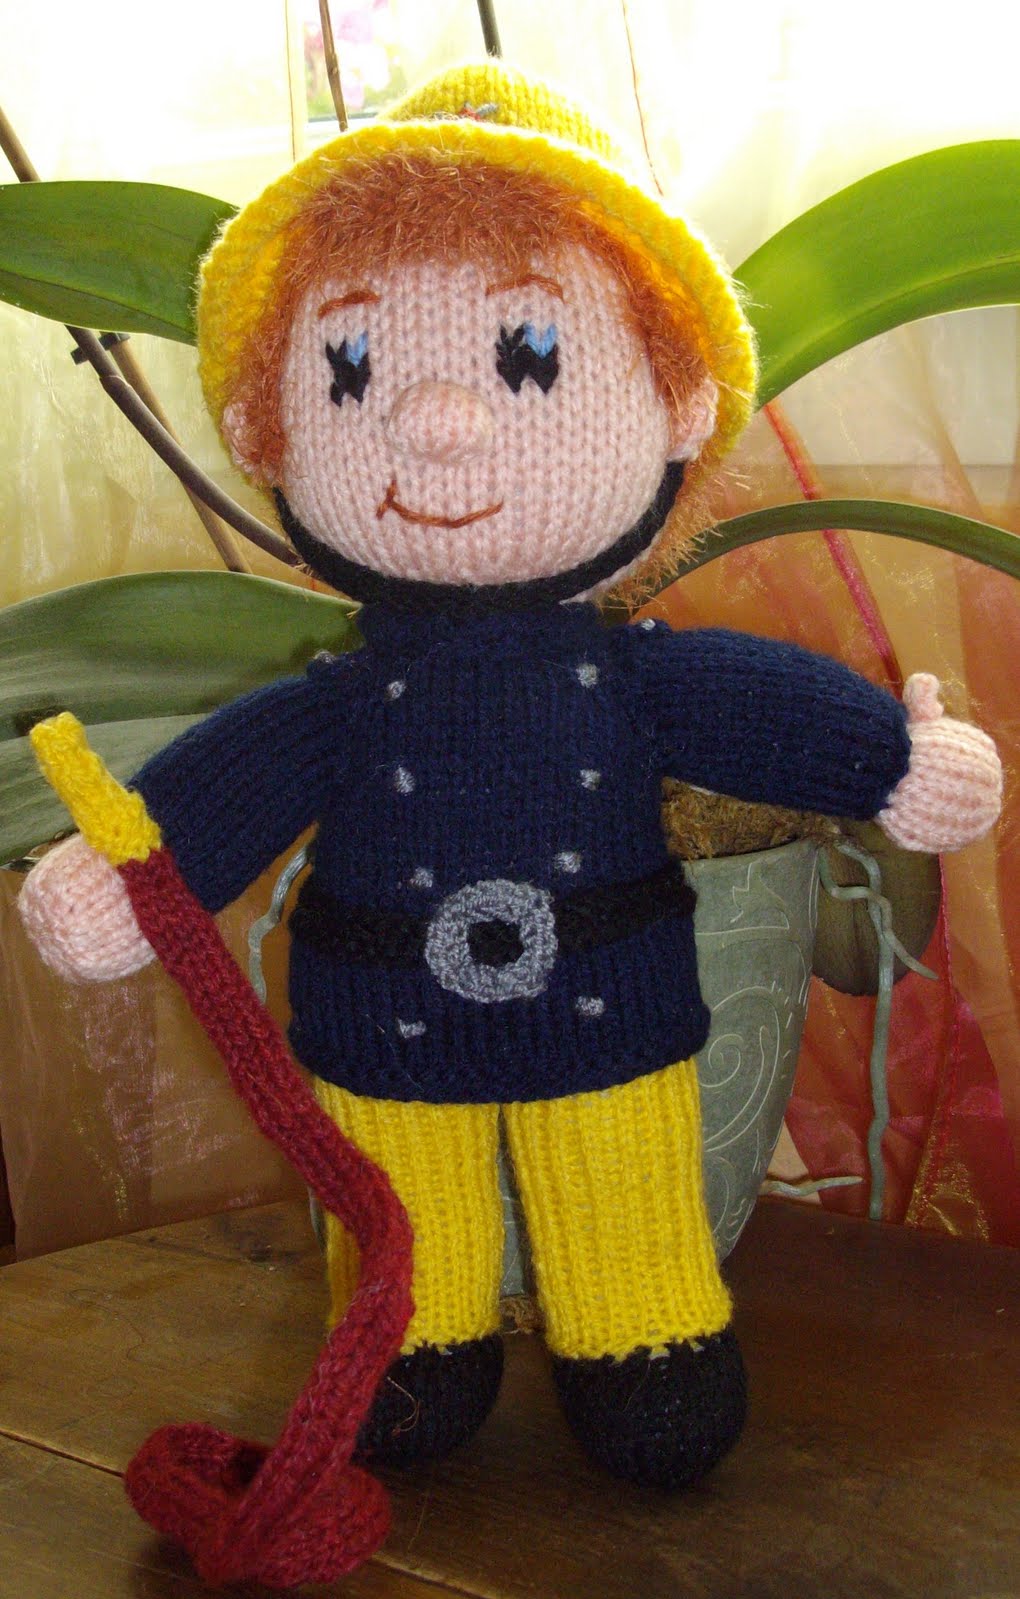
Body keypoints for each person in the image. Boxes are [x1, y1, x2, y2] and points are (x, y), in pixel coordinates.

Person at [19, 61, 1002, 1490]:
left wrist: (896, 762)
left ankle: (643, 1341)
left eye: (527, 356)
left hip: (607, 1012)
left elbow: (767, 714)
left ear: (676, 405)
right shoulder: (345, 703)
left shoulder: (636, 679)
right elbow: (231, 785)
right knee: (403, 1222)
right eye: (353, 370)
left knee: (624, 1200)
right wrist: (129, 879)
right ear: (266, 434)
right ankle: (413, 1346)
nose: (435, 418)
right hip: (385, 1020)